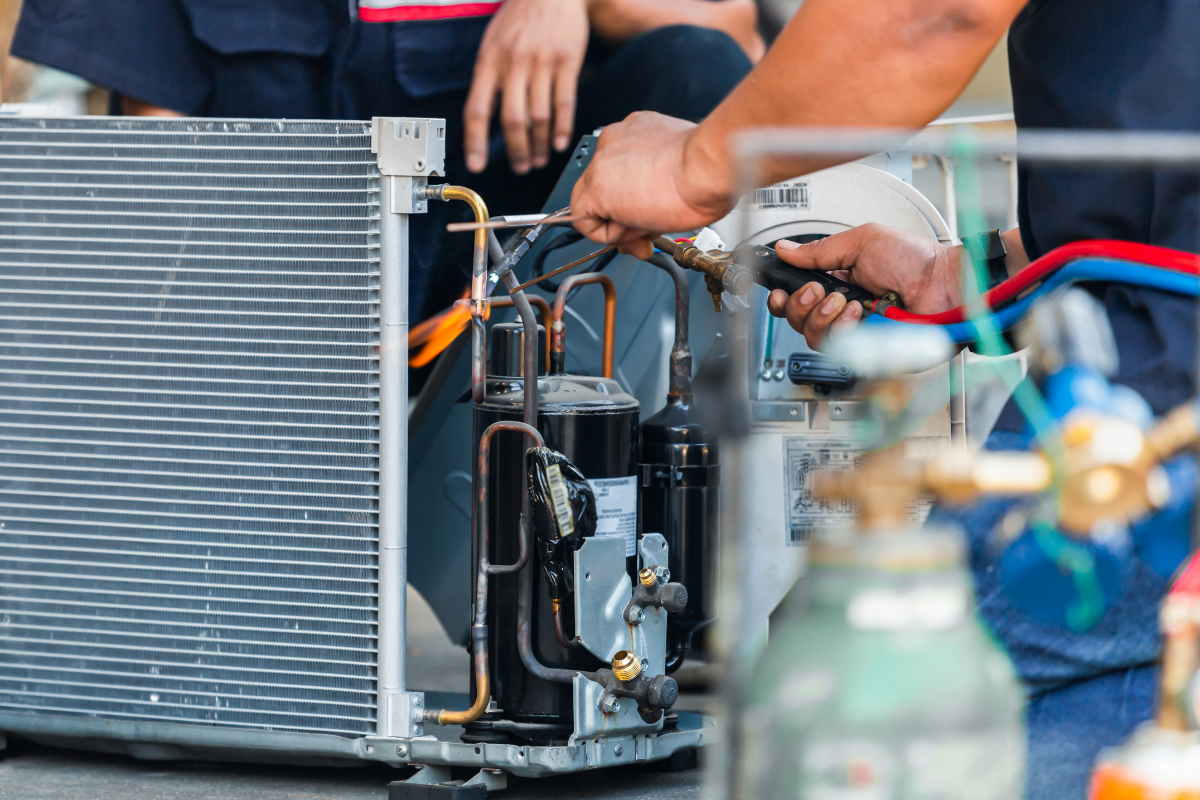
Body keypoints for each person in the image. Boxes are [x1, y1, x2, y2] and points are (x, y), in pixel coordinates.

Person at [569, 0, 1200, 797]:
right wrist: (963, 275)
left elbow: (935, 11)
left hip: (1167, 391)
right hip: (1160, 346)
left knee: (851, 691)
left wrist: (689, 167)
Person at [10, 0, 761, 322]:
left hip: (526, 294)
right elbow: (157, 171)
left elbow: (732, 36)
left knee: (693, 69)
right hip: (274, 316)